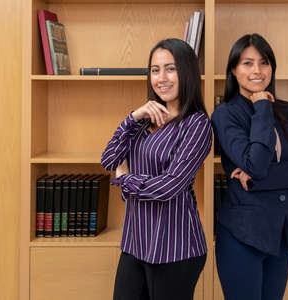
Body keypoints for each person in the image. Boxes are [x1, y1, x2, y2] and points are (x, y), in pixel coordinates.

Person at [101, 38, 211, 300]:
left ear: (187, 72)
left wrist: (126, 180)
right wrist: (133, 117)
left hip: (175, 249)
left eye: (170, 68)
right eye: (155, 69)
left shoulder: (196, 125)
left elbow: (169, 186)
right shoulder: (143, 120)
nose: (162, 78)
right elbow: (108, 160)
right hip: (136, 243)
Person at [211, 33, 288, 300]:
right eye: (247, 63)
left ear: (272, 68)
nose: (257, 70)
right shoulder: (226, 114)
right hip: (243, 234)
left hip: (282, 231)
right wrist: (261, 107)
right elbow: (256, 163)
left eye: (264, 62)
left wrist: (258, 181)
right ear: (234, 70)